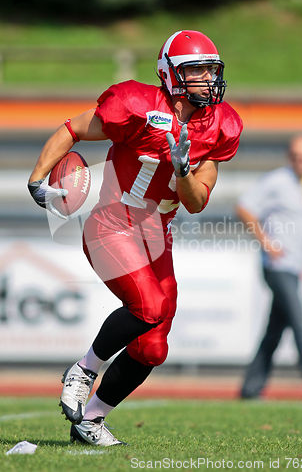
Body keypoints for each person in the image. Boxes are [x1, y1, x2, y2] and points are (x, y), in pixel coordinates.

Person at [27, 30, 243, 446]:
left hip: (157, 233)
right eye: (196, 70)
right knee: (149, 305)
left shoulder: (221, 124)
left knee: (153, 346)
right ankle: (84, 369)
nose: (207, 78)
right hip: (112, 222)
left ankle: (90, 420)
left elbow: (196, 203)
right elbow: (72, 129)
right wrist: (37, 177)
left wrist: (182, 171)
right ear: (170, 74)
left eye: (211, 69)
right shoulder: (136, 104)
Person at [237, 134, 302, 400]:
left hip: (292, 268)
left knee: (274, 332)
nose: (301, 161)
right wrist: (267, 243)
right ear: (289, 156)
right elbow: (244, 207)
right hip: (278, 267)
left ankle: (250, 388)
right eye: (296, 156)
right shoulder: (277, 181)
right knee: (300, 324)